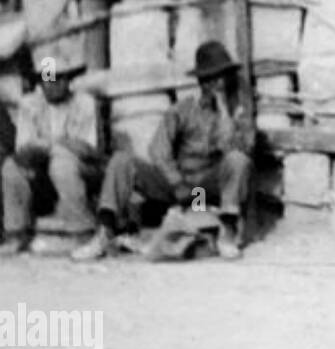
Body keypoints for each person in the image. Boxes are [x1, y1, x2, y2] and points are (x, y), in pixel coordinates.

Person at [73, 41, 252, 261]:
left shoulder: (238, 111)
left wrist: (224, 111)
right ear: (201, 82)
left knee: (238, 159)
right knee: (121, 161)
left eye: (224, 77)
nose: (220, 83)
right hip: (179, 186)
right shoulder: (183, 110)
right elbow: (158, 150)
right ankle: (104, 233)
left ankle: (228, 232)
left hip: (207, 190)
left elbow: (241, 150)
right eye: (213, 78)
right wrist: (177, 182)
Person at [0, 53, 101, 256]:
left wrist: (55, 147)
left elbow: (89, 149)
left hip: (84, 169)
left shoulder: (85, 103)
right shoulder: (30, 104)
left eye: (58, 79)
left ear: (68, 81)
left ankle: (80, 231)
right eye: (47, 80)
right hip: (43, 168)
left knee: (62, 162)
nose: (52, 85)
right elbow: (24, 147)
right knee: (12, 167)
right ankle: (17, 233)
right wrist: (47, 148)